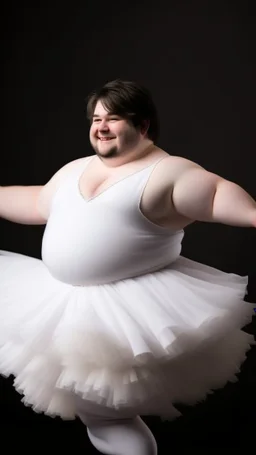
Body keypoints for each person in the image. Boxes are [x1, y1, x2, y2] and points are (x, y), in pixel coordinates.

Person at [0, 79, 255, 455]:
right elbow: (39, 202)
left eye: (113, 118)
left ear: (143, 126)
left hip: (124, 314)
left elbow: (216, 194)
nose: (100, 127)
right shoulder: (77, 168)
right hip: (62, 302)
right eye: (96, 118)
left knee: (108, 413)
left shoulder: (167, 173)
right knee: (96, 413)